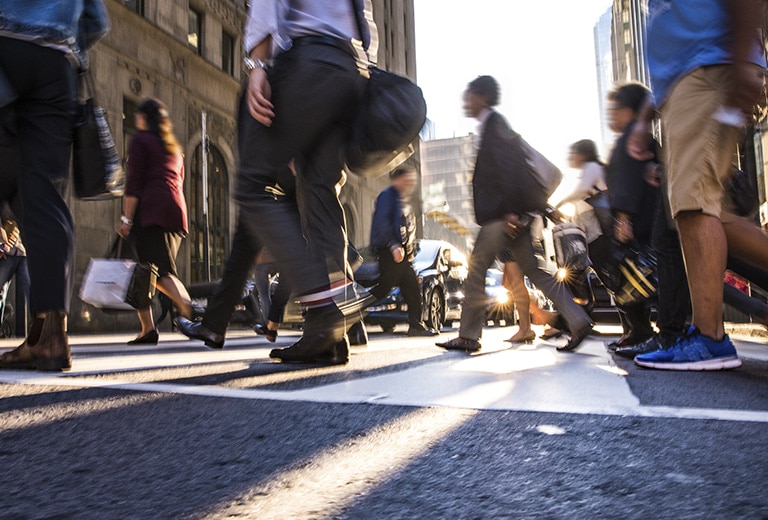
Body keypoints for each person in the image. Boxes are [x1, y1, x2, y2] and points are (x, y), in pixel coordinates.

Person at [628, 0, 768, 370]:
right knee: (709, 214)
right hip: (692, 76)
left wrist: (740, 58)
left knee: (694, 207)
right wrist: (649, 114)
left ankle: (710, 339)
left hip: (710, 66)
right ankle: (707, 336)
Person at [236, 0, 377, 364]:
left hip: (306, 62)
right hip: (349, 68)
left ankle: (326, 303)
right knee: (318, 192)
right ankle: (328, 336)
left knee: (253, 186)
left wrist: (257, 65)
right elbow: (367, 21)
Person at [437, 76, 593, 354]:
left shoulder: (495, 125)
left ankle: (468, 335)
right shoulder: (494, 126)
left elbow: (510, 171)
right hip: (517, 214)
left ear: (482, 97)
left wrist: (512, 212)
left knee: (476, 268)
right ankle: (578, 319)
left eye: (469, 95)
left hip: (503, 216)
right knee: (535, 271)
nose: (466, 101)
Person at [0, 1, 109, 371]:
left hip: (5, 44)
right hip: (57, 65)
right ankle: (50, 337)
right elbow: (96, 20)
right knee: (47, 198)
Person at [117, 98, 192, 345]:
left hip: (151, 212)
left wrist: (126, 218)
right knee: (143, 272)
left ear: (143, 118)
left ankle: (191, 310)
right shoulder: (174, 149)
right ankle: (148, 328)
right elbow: (178, 181)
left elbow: (134, 183)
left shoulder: (141, 140)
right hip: (174, 212)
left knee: (157, 273)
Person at [604, 83, 660, 350]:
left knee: (632, 276)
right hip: (651, 218)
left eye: (615, 109)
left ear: (629, 110)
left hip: (639, 222)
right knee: (649, 277)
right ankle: (642, 332)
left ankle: (642, 332)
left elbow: (626, 180)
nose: (611, 115)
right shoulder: (644, 137)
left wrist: (623, 219)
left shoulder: (630, 138)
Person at [369, 166, 438, 337]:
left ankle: (416, 326)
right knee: (383, 288)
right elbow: (383, 222)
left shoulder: (402, 199)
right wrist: (393, 244)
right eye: (408, 180)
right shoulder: (388, 196)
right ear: (397, 179)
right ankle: (353, 313)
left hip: (402, 253)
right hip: (390, 250)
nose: (411, 184)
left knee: (411, 288)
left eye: (412, 181)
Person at [0, 205, 29, 338]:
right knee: (1, 292)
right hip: (6, 252)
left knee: (30, 289)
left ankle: (41, 328)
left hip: (21, 250)